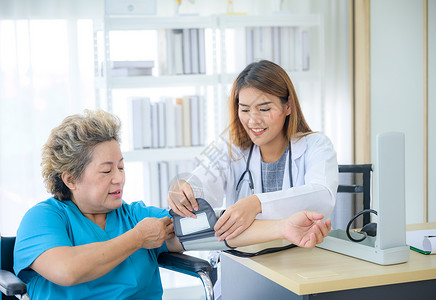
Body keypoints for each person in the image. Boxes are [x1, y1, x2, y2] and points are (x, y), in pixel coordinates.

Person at [13, 109, 331, 299]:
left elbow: (216, 231)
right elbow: (67, 271)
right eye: (106, 171)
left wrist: (283, 227)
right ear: (70, 178)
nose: (118, 179)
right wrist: (138, 239)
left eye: (121, 167)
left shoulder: (136, 215)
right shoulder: (44, 219)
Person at [168, 60, 338, 241]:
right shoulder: (231, 148)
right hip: (244, 258)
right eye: (245, 109)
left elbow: (323, 196)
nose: (253, 120)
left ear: (287, 106)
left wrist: (257, 204)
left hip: (298, 258)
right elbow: (204, 182)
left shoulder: (316, 145)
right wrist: (185, 190)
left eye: (264, 109)